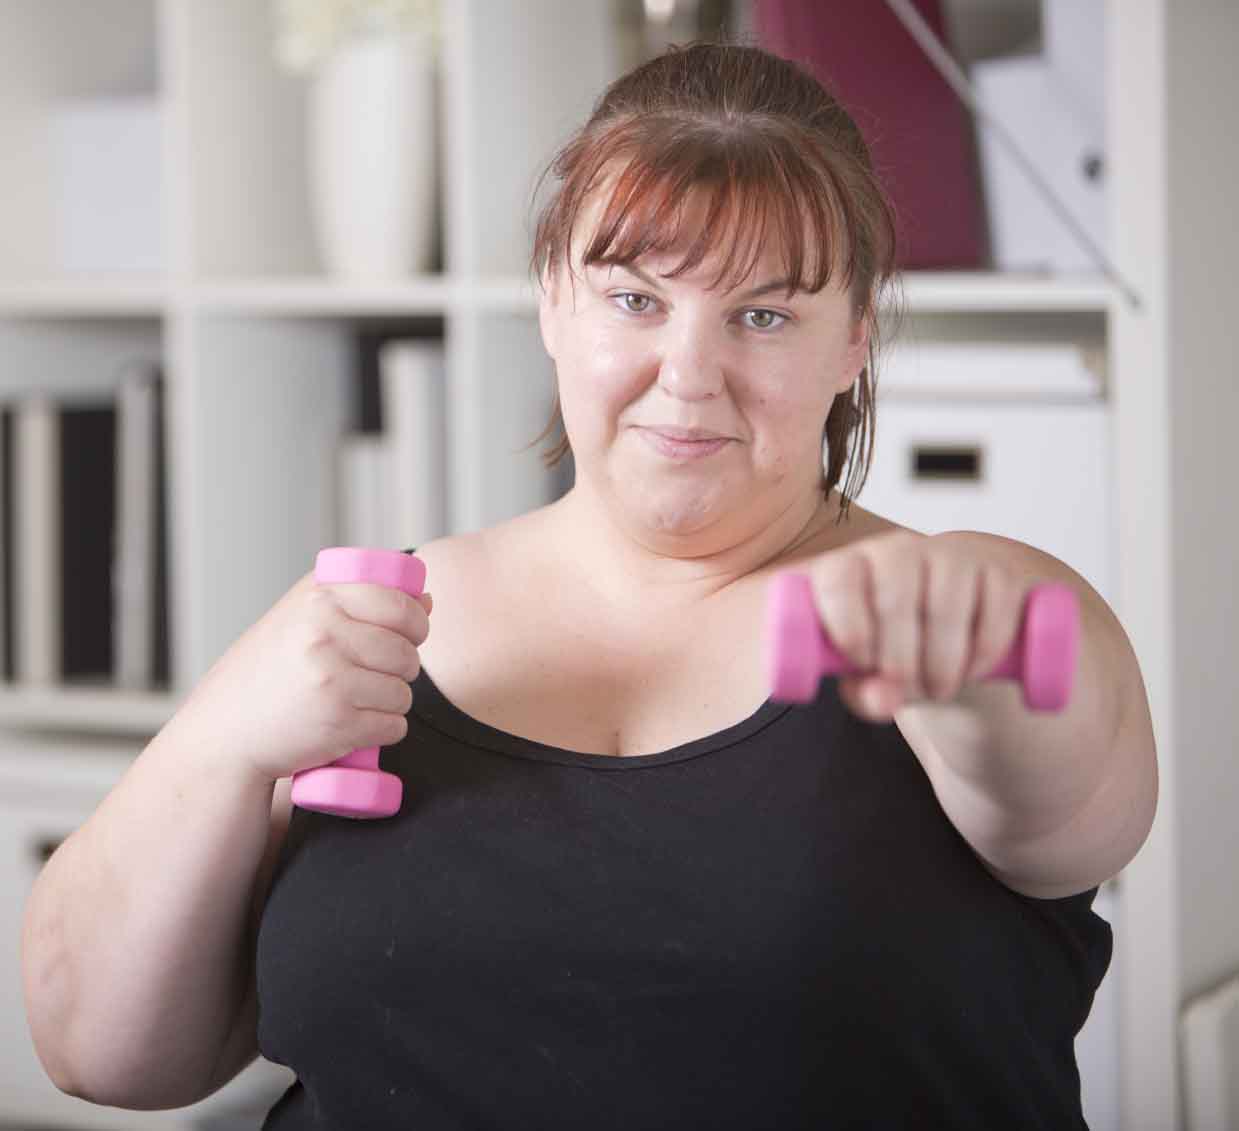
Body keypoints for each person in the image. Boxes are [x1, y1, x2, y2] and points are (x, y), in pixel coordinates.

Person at [22, 40, 1157, 1131]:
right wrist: (223, 737)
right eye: (635, 300)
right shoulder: (374, 628)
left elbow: (1075, 812)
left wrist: (980, 658)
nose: (689, 374)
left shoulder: (963, 608)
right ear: (553, 301)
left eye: (762, 315)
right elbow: (101, 1054)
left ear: (855, 337)